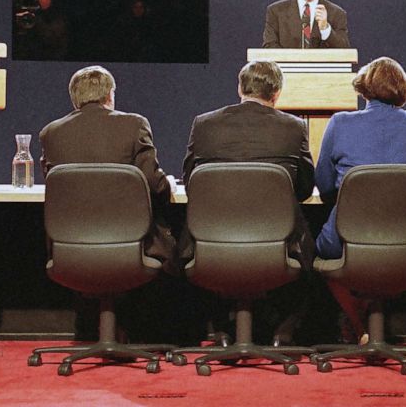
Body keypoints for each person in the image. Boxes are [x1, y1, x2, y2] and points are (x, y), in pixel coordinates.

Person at [181, 60, 317, 344]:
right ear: (276, 93)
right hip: (278, 244)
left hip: (211, 242)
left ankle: (217, 329)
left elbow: (192, 183)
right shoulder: (293, 127)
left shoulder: (204, 124)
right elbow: (304, 188)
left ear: (240, 88)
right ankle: (284, 331)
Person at [314, 56, 406, 342]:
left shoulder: (339, 123)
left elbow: (324, 186)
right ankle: (366, 322)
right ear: (402, 89)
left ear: (364, 88)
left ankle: (359, 324)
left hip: (348, 237)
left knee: (320, 255)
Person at [39, 65, 175, 265]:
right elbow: (153, 184)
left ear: (74, 98)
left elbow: (55, 185)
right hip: (132, 248)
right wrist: (168, 185)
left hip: (69, 250)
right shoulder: (134, 124)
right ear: (110, 95)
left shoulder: (50, 133)